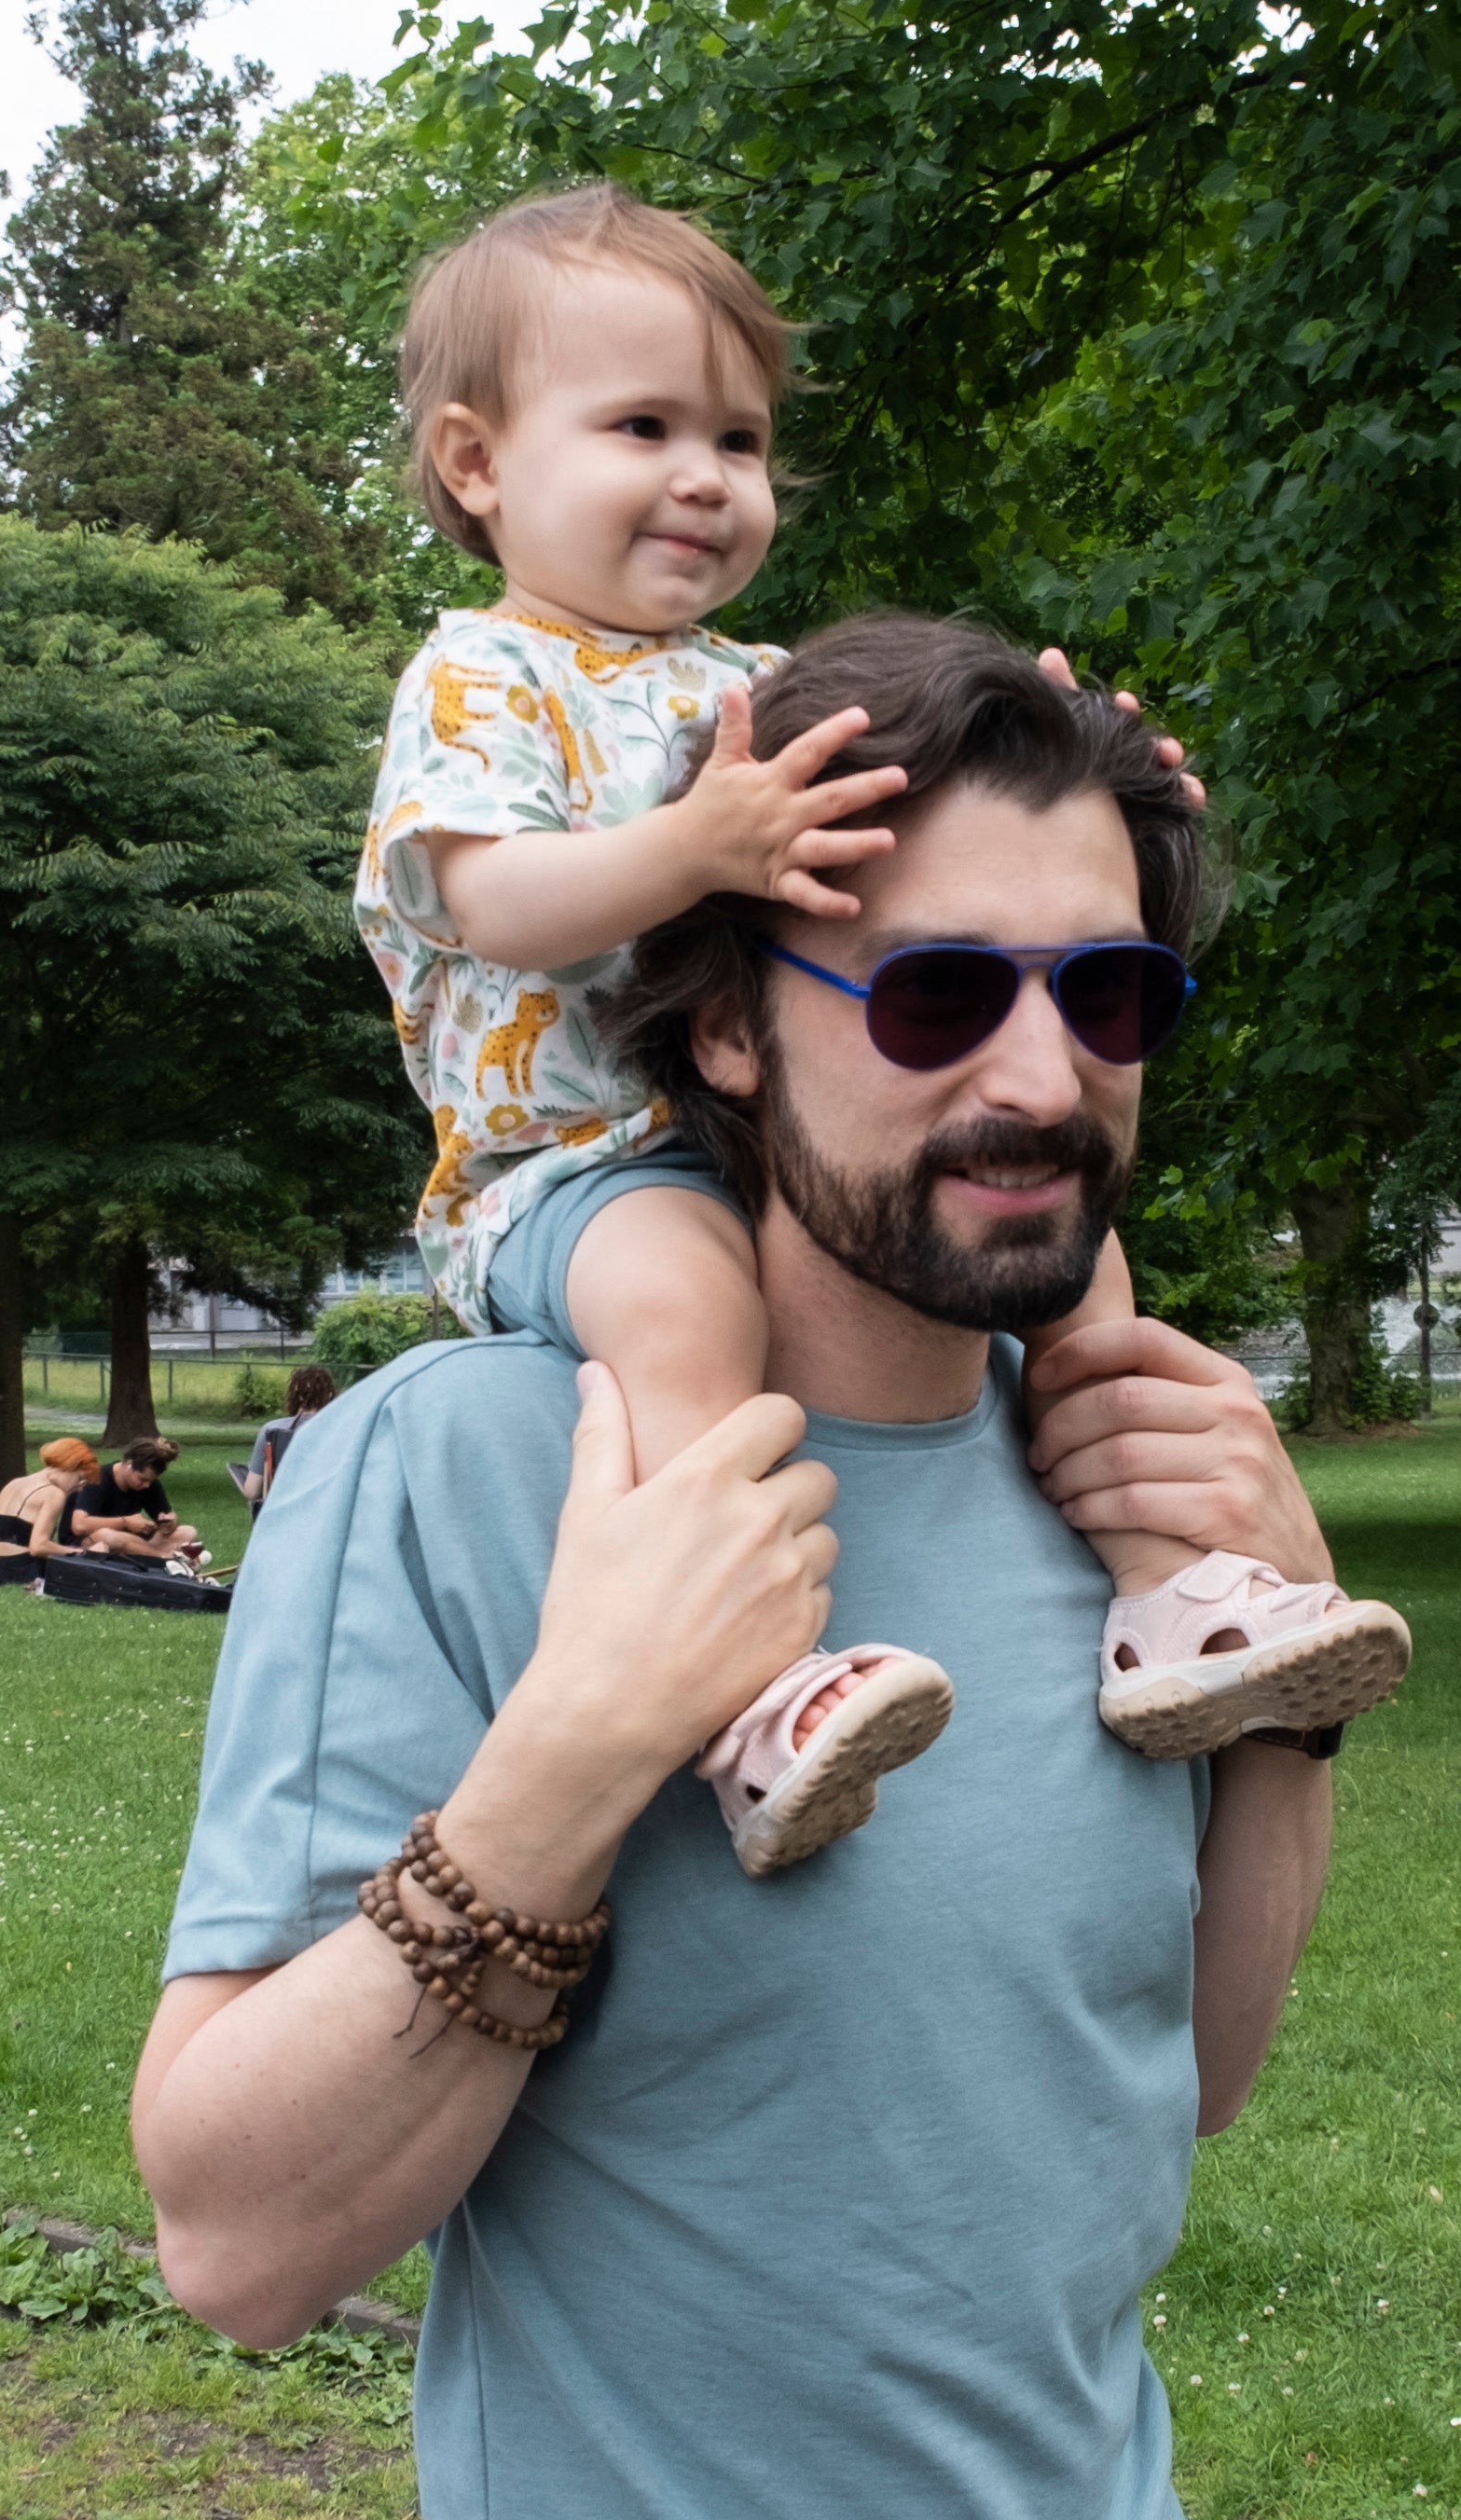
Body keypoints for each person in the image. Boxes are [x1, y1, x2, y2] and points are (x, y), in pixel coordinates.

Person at [140, 619, 1344, 2520]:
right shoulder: (469, 1472)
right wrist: (585, 1741)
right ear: (716, 1024)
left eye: (1106, 996)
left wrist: (1272, 1685)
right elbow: (235, 2243)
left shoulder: (1110, 1470)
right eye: (930, 997)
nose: (1040, 1072)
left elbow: (1171, 2080)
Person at [355, 183, 1405, 1874]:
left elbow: (962, 813)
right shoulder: (481, 681)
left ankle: (1178, 1599)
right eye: (643, 425)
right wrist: (696, 848)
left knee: (1087, 1265)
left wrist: (1101, 775)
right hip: (561, 1162)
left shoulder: (741, 686)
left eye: (741, 438)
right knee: (691, 1304)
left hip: (721, 1135)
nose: (705, 475)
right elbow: (489, 903)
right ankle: (754, 1694)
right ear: (477, 464)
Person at [69, 1435, 203, 1564]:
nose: (147, 1485)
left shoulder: (149, 1484)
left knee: (187, 1532)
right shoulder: (98, 1478)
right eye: (142, 1479)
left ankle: (152, 1561)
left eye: (151, 1481)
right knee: (109, 1536)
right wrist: (125, 1522)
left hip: (132, 1545)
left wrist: (169, 1523)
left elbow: (164, 1519)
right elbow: (79, 1526)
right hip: (89, 1544)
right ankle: (165, 1560)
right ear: (129, 1464)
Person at [0, 1438, 95, 1587]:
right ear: (70, 1466)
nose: (79, 1488)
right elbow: (39, 1547)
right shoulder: (53, 1493)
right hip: (25, 1571)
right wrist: (81, 1553)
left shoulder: (14, 1483)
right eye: (80, 1478)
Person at [233, 1362, 337, 1508]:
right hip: (328, 1511)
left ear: (296, 1396)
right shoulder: (342, 1429)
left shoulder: (272, 1430)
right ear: (330, 1395)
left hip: (284, 1513)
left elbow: (251, 1491)